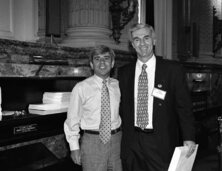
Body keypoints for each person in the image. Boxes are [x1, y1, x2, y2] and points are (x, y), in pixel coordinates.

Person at [118, 23, 196, 171]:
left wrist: (189, 137)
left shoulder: (172, 70)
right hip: (132, 143)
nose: (142, 43)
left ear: (154, 40)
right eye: (137, 40)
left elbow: (184, 107)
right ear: (132, 45)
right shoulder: (123, 73)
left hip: (161, 142)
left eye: (146, 38)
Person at [64, 45, 122, 171]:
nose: (102, 62)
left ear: (112, 63)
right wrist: (74, 148)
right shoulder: (81, 88)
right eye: (97, 59)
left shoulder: (118, 85)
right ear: (91, 64)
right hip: (92, 142)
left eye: (106, 58)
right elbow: (72, 119)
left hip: (117, 141)